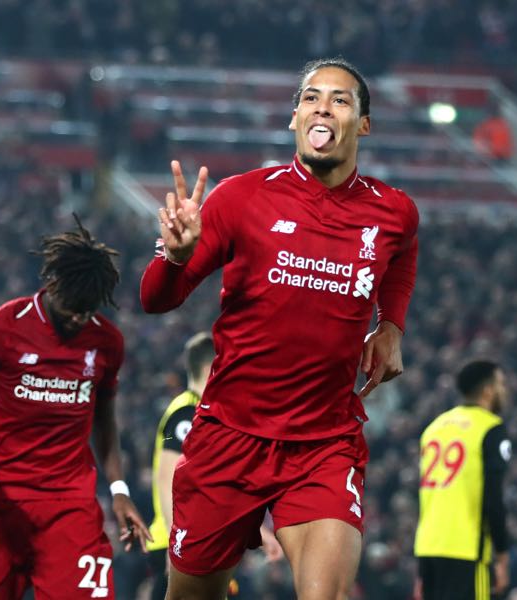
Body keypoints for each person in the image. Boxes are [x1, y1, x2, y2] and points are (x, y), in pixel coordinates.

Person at [140, 57, 419, 600]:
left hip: (324, 442)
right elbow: (154, 300)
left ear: (363, 123)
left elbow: (402, 256)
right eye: (312, 97)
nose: (323, 106)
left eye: (341, 99)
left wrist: (392, 326)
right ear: (294, 117)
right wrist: (175, 257)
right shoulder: (242, 198)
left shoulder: (394, 212)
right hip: (229, 437)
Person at [0, 215, 150, 600]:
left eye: (87, 311)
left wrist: (118, 487)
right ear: (51, 285)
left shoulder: (107, 342)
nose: (79, 319)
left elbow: (105, 419)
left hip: (71, 506)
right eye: (72, 310)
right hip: (3, 502)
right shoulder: (0, 327)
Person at [145, 332, 283, 600]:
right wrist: (176, 545)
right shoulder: (186, 413)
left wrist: (261, 533)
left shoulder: (202, 412)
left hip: (197, 541)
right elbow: (167, 478)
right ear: (213, 369)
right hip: (177, 543)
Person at [414, 360, 512, 600]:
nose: (504, 390)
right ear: (488, 390)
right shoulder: (490, 429)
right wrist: (502, 555)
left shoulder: (434, 428)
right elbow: (493, 498)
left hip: (428, 546)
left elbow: (426, 495)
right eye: (500, 384)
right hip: (466, 548)